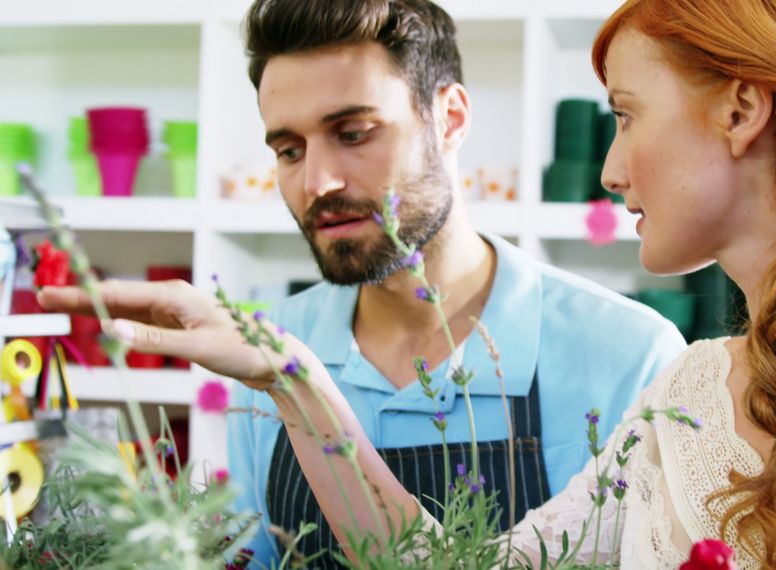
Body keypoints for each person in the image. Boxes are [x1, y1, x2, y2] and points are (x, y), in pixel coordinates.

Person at [39, 0, 776, 568]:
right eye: (285, 145)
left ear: (742, 110)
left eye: (624, 115)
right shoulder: (688, 399)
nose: (610, 170)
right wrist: (290, 377)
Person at [79, 0, 688, 566]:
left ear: (449, 118)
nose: (317, 180)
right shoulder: (268, 346)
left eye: (353, 134)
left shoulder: (630, 357)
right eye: (289, 150)